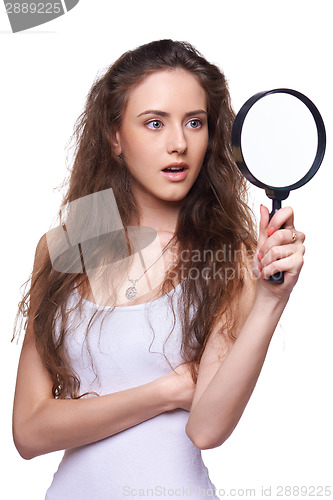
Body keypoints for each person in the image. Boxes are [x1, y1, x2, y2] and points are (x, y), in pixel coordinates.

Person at [11, 39, 305, 499]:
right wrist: (166, 391)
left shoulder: (231, 254)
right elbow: (29, 432)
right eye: (154, 123)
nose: (178, 144)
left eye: (195, 122)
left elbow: (207, 427)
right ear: (115, 137)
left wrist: (271, 299)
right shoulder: (68, 243)